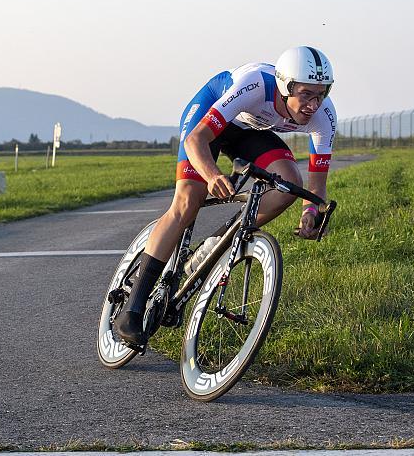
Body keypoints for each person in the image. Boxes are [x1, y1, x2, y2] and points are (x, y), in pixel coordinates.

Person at [113, 46, 337, 347]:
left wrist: (310, 213)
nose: (314, 104)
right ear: (285, 86)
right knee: (187, 201)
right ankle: (133, 308)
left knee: (289, 185)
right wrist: (211, 175)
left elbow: (316, 188)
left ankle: (215, 244)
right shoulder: (256, 84)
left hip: (249, 130)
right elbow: (197, 140)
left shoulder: (324, 116)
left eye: (321, 94)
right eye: (307, 94)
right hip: (209, 119)